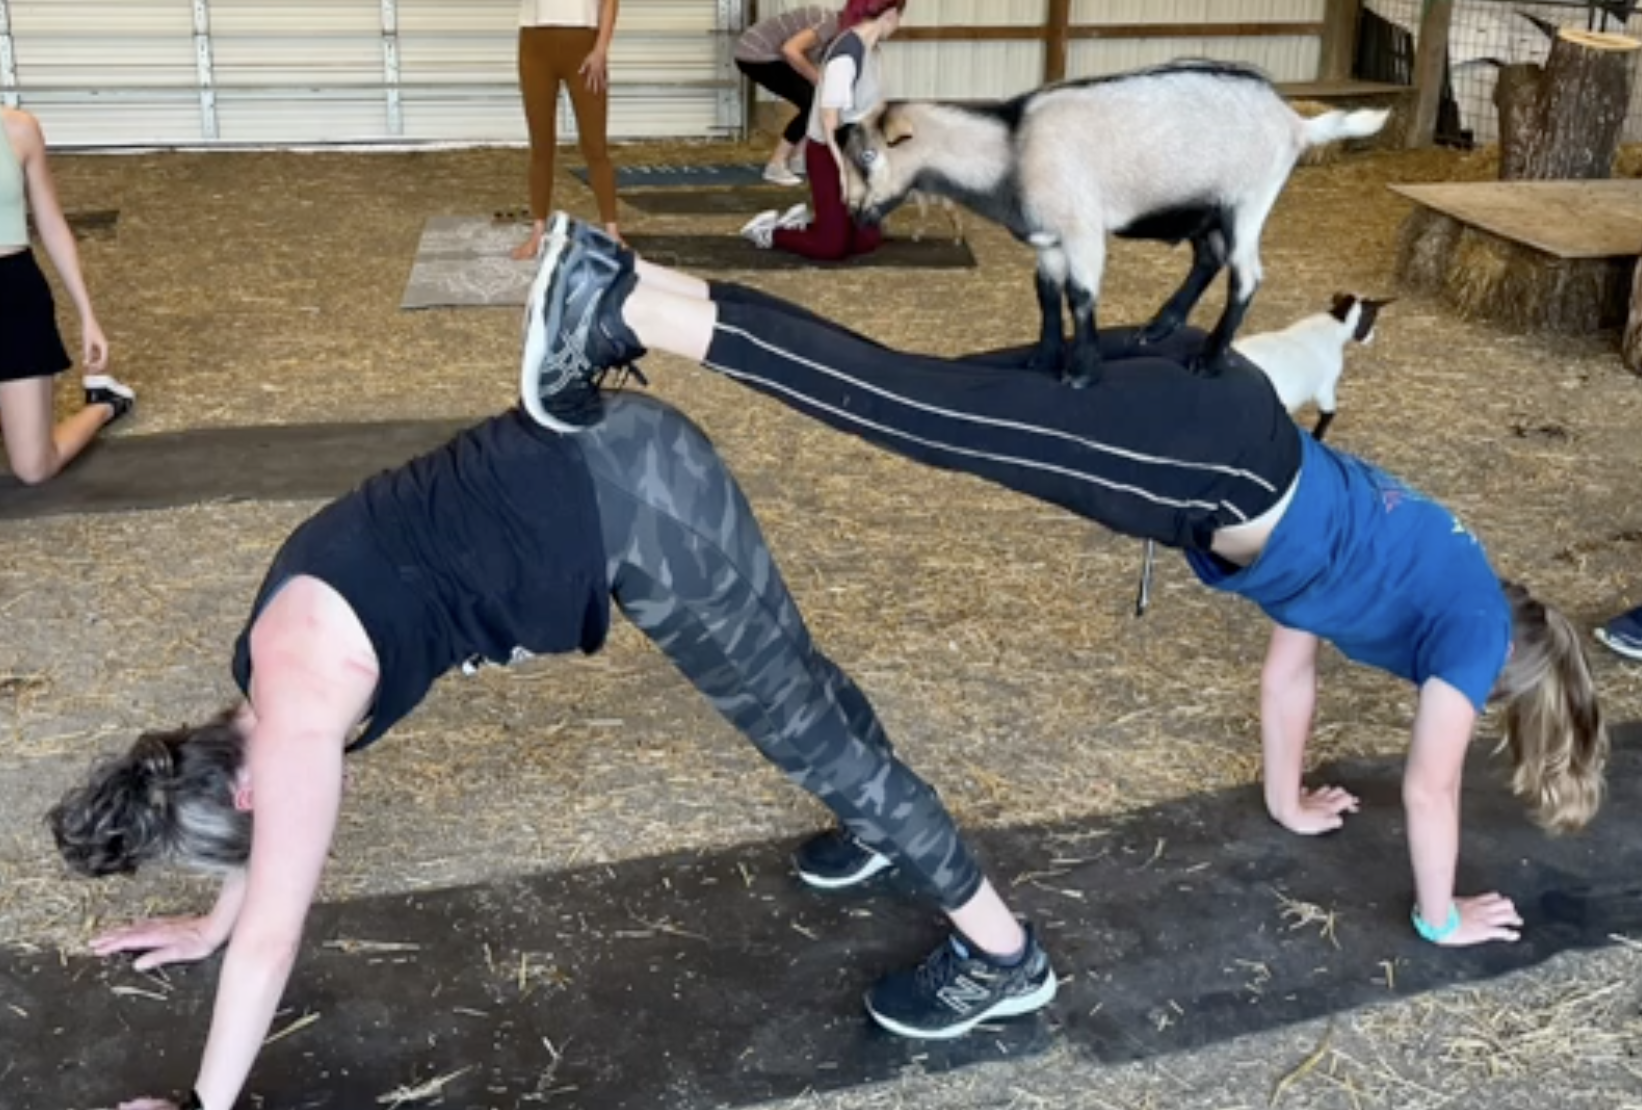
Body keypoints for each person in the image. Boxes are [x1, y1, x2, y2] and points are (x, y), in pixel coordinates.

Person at [523, 212, 1612, 952]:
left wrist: (1286, 800)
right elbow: (1429, 788)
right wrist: (1438, 917)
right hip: (1207, 454)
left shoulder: (1444, 565)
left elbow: (1293, 672)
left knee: (918, 387)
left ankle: (624, 280)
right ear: (1509, 686)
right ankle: (621, 313)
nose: (1465, 716)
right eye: (1486, 714)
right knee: (910, 409)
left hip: (1216, 404)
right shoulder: (1467, 635)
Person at [47, 369, 1059, 1109]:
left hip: (641, 504)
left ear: (246, 793)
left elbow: (278, 933)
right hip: (607, 450)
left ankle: (1005, 956)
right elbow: (265, 858)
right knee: (787, 674)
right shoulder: (261, 677)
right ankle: (878, 826)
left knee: (799, 724)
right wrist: (208, 926)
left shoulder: (303, 711)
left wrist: (204, 1107)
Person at [0, 1, 134, 485]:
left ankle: (104, 403)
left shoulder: (18, 129)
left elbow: (52, 224)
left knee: (33, 469)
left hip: (12, 287)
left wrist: (87, 315)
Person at [739, 0, 904, 258]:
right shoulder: (846, 54)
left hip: (856, 148)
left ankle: (808, 223)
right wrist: (843, 172)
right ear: (891, 14)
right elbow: (829, 124)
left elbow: (874, 108)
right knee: (831, 248)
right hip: (829, 150)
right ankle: (770, 231)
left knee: (866, 242)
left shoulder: (874, 51)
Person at [510, 0, 621, 261]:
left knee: (595, 146)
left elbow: (610, 2)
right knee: (541, 146)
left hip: (584, 44)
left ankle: (612, 232)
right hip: (535, 44)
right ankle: (537, 232)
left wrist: (601, 49)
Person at [734, 4, 841, 186]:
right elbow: (790, 50)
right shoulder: (829, 24)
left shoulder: (833, 31)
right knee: (811, 103)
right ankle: (776, 165)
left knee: (814, 101)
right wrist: (819, 81)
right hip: (755, 55)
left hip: (761, 53)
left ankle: (798, 159)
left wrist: (820, 83)